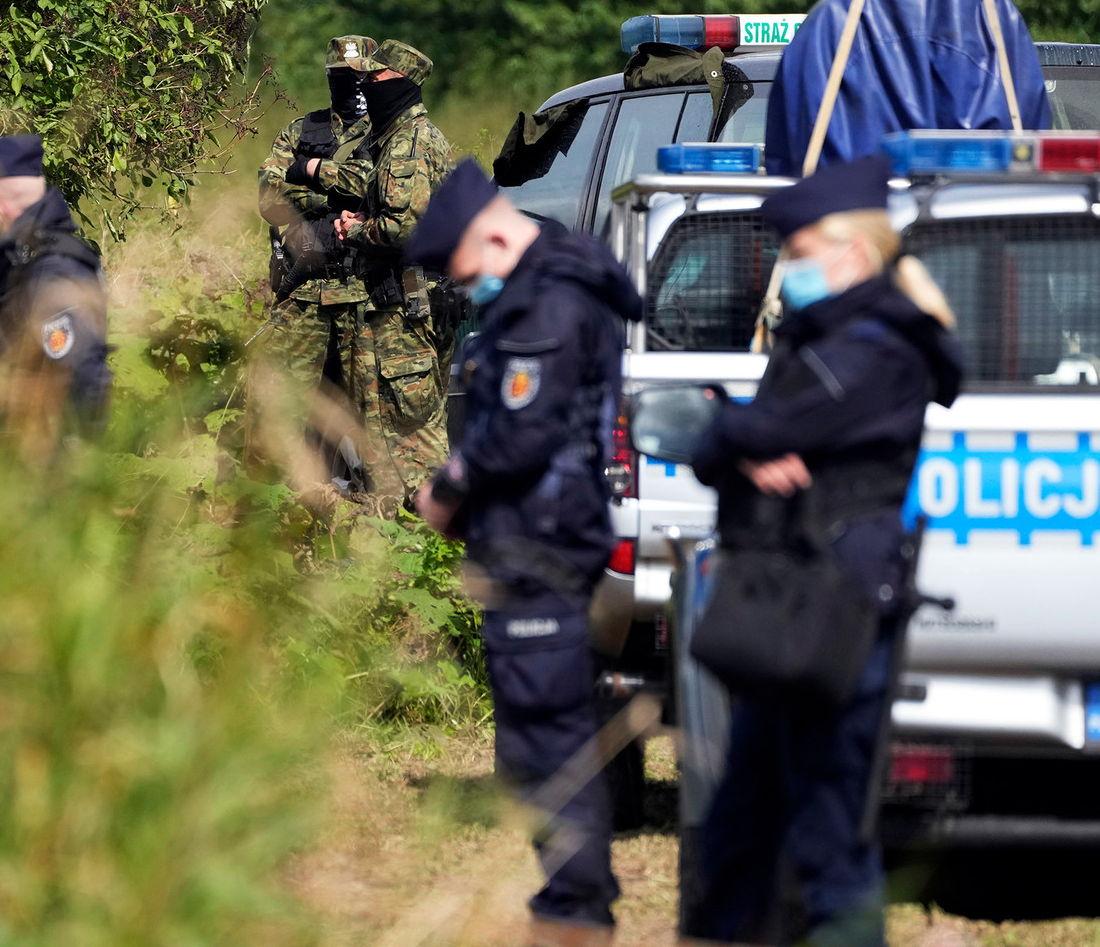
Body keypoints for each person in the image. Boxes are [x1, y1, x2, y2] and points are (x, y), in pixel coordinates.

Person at [685, 155, 963, 946]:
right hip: (788, 603)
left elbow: (763, 428)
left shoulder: (879, 347)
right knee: (740, 828)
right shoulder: (822, 340)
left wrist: (733, 432)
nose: (788, 268)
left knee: (828, 832)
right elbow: (730, 444)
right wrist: (735, 439)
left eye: (800, 251)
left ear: (854, 253)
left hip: (835, 610)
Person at [408, 158, 644, 947]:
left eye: (461, 268)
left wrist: (448, 488)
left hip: (543, 545)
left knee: (547, 736)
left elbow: (520, 432)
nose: (462, 285)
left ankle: (576, 912)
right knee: (534, 739)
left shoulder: (548, 304)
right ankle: (578, 897)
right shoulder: (542, 294)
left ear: (494, 236)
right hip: (529, 541)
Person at [335, 39, 454, 503]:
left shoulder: (409, 144)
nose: (365, 82)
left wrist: (356, 229)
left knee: (412, 440)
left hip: (407, 312)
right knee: (388, 435)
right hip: (404, 306)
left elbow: (404, 226)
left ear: (400, 82)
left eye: (375, 76)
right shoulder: (399, 138)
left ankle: (430, 536)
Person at [0, 133, 112, 440]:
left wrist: (69, 461)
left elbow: (82, 379)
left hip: (46, 461)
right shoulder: (26, 263)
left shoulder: (54, 271)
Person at [256, 35, 377, 422]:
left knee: (369, 415)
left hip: (367, 294)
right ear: (329, 78)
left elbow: (385, 191)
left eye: (359, 76)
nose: (351, 84)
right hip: (304, 291)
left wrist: (308, 176)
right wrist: (333, 198)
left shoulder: (389, 134)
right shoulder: (300, 131)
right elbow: (269, 198)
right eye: (341, 76)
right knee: (287, 412)